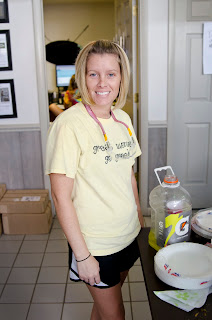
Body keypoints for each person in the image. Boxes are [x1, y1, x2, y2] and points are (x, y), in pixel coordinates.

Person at [45, 39, 144, 320]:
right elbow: (60, 196)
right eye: (93, 74)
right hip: (96, 244)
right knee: (115, 314)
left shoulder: (123, 119)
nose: (103, 83)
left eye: (111, 74)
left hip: (127, 234)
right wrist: (83, 256)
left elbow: (129, 173)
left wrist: (138, 216)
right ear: (82, 77)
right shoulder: (68, 125)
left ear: (121, 77)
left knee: (104, 307)